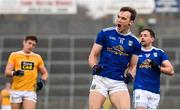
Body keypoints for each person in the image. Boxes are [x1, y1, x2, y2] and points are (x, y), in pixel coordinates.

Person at [88, 6, 141, 109]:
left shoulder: (135, 42)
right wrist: (94, 66)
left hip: (118, 82)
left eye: (123, 18)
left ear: (131, 22)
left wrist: (130, 75)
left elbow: (133, 66)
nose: (119, 20)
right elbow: (92, 55)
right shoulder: (105, 33)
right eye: (119, 17)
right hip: (100, 79)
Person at [133, 28, 175, 109]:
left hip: (154, 91)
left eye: (145, 36)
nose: (142, 37)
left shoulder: (159, 53)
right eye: (141, 36)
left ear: (152, 39)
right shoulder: (136, 52)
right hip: (140, 89)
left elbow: (171, 71)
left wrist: (158, 68)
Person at [5, 35, 48, 109]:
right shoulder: (14, 55)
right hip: (16, 90)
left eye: (33, 45)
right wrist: (15, 73)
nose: (31, 46)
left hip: (30, 91)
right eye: (29, 43)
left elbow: (45, 73)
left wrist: (42, 81)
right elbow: (7, 72)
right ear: (24, 42)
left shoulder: (37, 57)